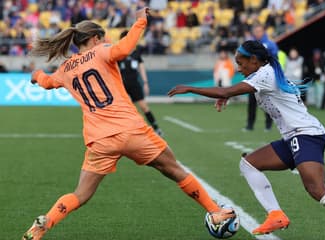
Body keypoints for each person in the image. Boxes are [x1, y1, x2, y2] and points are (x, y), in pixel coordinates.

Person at [22, 7, 234, 240]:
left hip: (99, 140)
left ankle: (44, 224)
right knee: (175, 170)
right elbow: (124, 48)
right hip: (132, 131)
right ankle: (215, 212)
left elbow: (47, 82)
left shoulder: (65, 69)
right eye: (103, 38)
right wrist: (140, 21)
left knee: (80, 194)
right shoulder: (101, 51)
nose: (106, 41)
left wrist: (36, 76)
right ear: (95, 39)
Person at [168, 40, 325, 240]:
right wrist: (226, 95)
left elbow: (227, 89)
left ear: (255, 61)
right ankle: (276, 215)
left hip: (306, 134)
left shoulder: (264, 75)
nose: (238, 68)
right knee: (249, 163)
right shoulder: (264, 72)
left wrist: (191, 88)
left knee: (316, 188)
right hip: (295, 136)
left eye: (241, 63)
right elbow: (232, 91)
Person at [118, 30, 163, 136]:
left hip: (134, 85)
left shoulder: (136, 54)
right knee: (122, 109)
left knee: (144, 107)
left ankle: (156, 128)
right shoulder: (119, 53)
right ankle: (121, 130)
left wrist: (146, 82)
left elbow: (141, 67)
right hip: (121, 85)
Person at [245, 23, 277, 132]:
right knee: (252, 102)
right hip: (253, 77)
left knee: (267, 102)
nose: (257, 33)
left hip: (266, 78)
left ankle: (268, 125)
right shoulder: (250, 45)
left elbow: (275, 59)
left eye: (259, 31)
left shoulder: (270, 44)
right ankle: (249, 125)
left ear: (263, 31)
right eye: (256, 31)